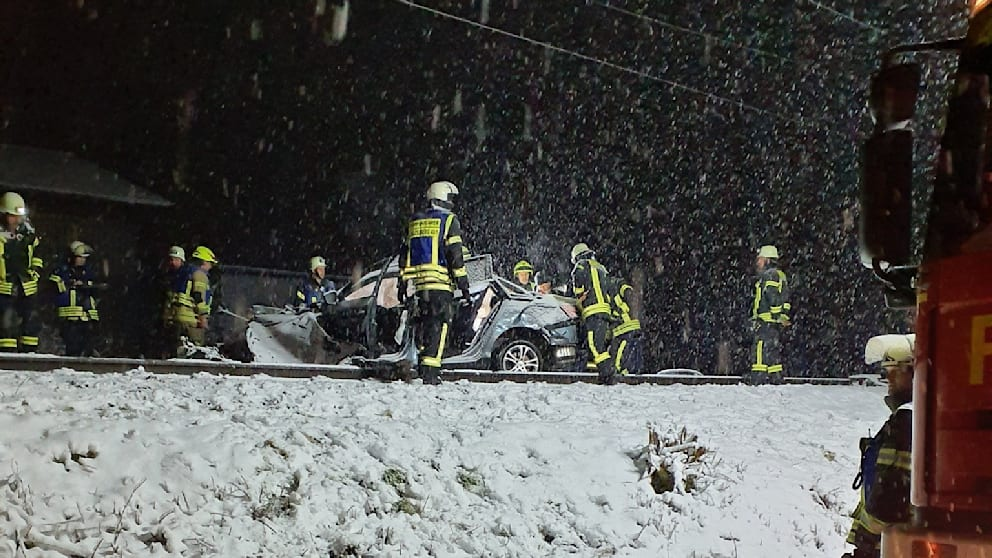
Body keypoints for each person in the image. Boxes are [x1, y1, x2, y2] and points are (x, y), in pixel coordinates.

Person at [844, 335, 914, 558]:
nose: (889, 380)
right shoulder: (910, 418)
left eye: (896, 372)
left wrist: (868, 541)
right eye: (887, 373)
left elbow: (892, 494)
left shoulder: (907, 421)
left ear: (916, 374)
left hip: (885, 545)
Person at [401, 180, 471, 385]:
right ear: (443, 197)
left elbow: (404, 254)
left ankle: (424, 368)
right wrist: (463, 284)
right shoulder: (449, 221)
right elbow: (455, 256)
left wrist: (403, 282)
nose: (453, 203)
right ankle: (431, 374)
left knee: (424, 327)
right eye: (451, 198)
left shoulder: (415, 221)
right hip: (440, 285)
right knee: (438, 328)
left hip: (420, 287)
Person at [0, 192, 43, 353]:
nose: (16, 220)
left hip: (26, 284)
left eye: (18, 216)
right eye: (12, 216)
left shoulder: (29, 236)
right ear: (3, 215)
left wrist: (35, 272)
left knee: (31, 320)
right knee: (6, 322)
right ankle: (7, 356)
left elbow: (37, 256)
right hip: (4, 286)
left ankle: (30, 354)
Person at [570, 242, 617, 385]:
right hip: (605, 311)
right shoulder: (601, 268)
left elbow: (578, 286)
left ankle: (607, 374)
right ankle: (606, 372)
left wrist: (579, 296)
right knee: (600, 343)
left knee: (595, 345)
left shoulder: (581, 266)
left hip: (593, 311)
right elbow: (611, 289)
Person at [49, 241, 102, 356]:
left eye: (84, 258)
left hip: (86, 317)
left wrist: (85, 284)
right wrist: (69, 283)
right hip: (69, 316)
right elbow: (55, 284)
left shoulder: (88, 271)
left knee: (87, 343)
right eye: (79, 257)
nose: (82, 260)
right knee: (71, 344)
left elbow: (96, 286)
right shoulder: (62, 270)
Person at [748, 245, 791, 385]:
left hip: (766, 321)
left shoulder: (769, 275)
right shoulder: (779, 274)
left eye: (760, 259)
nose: (757, 262)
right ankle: (775, 378)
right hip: (773, 323)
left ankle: (758, 378)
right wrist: (783, 316)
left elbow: (772, 296)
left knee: (760, 349)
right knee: (772, 352)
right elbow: (784, 298)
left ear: (767, 259)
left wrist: (776, 314)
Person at [165, 245, 216, 354]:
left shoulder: (181, 273)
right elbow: (199, 298)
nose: (210, 267)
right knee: (195, 351)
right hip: (191, 320)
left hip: (175, 317)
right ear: (204, 262)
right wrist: (203, 318)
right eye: (210, 263)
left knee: (176, 349)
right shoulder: (200, 275)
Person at [612, 281, 643, 375]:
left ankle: (622, 371)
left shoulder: (614, 285)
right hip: (628, 326)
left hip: (624, 326)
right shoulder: (618, 286)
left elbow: (631, 296)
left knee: (622, 351)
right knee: (633, 350)